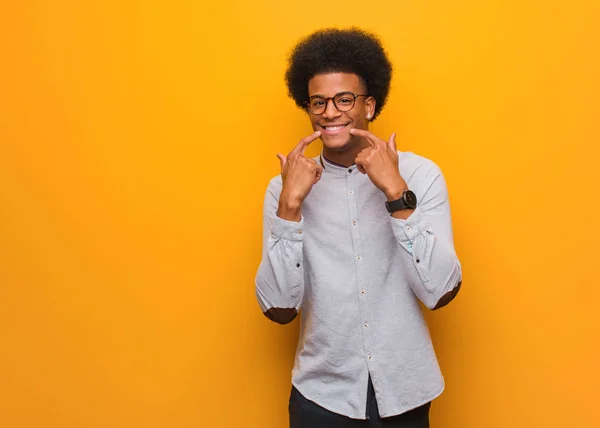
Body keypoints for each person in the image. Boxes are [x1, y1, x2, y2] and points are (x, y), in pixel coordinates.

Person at [255, 28, 462, 427]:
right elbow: (279, 309)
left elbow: (441, 291)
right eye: (318, 102)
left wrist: (396, 191)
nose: (330, 112)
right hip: (321, 397)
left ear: (369, 104)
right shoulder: (284, 188)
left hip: (405, 390)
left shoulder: (421, 174)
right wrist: (290, 206)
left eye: (344, 99)